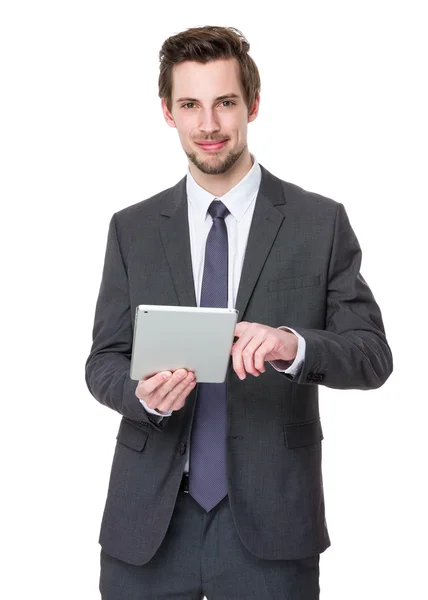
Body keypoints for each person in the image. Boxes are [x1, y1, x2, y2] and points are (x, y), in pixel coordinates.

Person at [85, 25, 393, 600]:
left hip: (273, 525)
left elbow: (372, 356)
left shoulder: (318, 222)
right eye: (190, 105)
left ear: (252, 104)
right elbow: (104, 360)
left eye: (224, 102)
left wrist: (292, 345)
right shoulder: (131, 230)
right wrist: (143, 396)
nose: (208, 124)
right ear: (167, 112)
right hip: (147, 525)